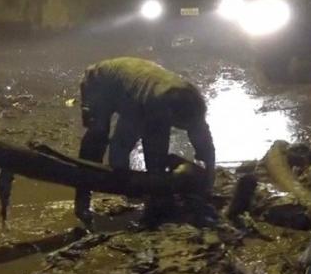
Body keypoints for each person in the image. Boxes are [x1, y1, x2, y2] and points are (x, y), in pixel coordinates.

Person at [75, 57, 215, 224]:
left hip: (131, 85)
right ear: (171, 115)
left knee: (139, 144)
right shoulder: (151, 105)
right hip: (100, 82)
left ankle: (129, 193)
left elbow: (202, 138)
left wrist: (209, 174)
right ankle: (84, 200)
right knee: (98, 138)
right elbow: (148, 149)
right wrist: (152, 189)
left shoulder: (193, 103)